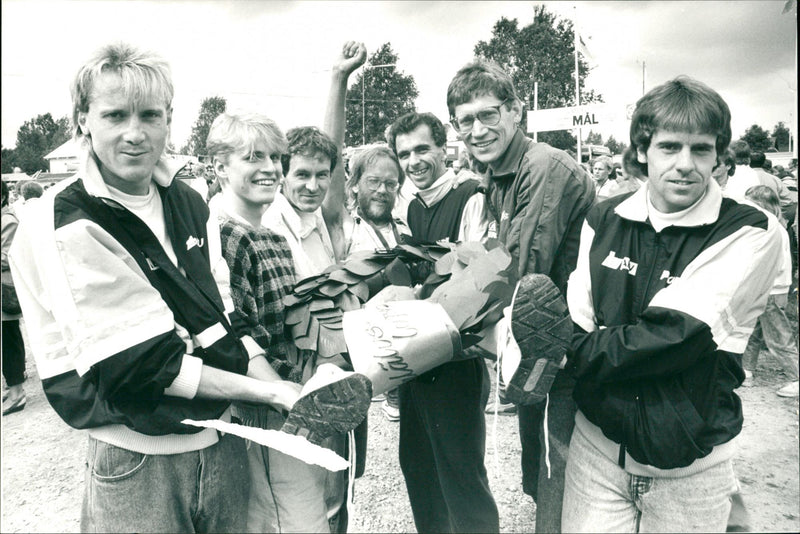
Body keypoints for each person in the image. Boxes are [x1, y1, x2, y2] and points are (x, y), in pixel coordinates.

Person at [8, 42, 303, 533]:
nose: (134, 133)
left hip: (219, 442)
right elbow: (144, 367)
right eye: (114, 115)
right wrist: (268, 395)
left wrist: (288, 395)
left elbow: (222, 318)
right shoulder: (64, 221)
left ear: (169, 117)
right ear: (82, 119)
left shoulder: (187, 200)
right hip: (138, 459)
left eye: (149, 115)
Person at [561, 76, 784, 532]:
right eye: (669, 147)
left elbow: (672, 338)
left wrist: (560, 348)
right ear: (642, 150)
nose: (685, 164)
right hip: (596, 454)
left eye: (701, 149)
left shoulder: (753, 231)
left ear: (720, 155)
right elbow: (579, 320)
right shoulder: (603, 217)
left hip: (690, 469)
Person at [446, 59, 595, 533]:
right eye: (465, 120)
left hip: (573, 352)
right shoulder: (497, 177)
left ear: (516, 112)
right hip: (538, 348)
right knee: (540, 472)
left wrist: (443, 312)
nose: (477, 129)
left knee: (559, 484)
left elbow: (518, 273)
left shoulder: (543, 166)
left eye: (488, 114)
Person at [261, 40, 367, 533]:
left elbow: (335, 148)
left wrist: (340, 80)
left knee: (337, 491)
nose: (312, 183)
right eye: (301, 173)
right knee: (307, 504)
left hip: (334, 372)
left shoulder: (322, 216)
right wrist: (335, 77)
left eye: (322, 176)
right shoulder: (271, 224)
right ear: (281, 173)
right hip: (297, 382)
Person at [385, 110, 497, 533]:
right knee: (419, 470)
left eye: (422, 149)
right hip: (416, 357)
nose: (413, 161)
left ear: (443, 147)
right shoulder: (410, 206)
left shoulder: (470, 195)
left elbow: (479, 283)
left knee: (462, 478)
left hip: (455, 360)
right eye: (405, 153)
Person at [741, 185, 798, 397]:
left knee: (778, 336)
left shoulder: (766, 226)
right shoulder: (775, 225)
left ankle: (796, 375)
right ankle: (746, 370)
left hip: (770, 288)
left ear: (760, 204)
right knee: (752, 330)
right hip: (768, 287)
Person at [2, 180, 26, 416]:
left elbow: (8, 256)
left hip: (4, 294)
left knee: (8, 342)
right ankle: (13, 387)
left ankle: (17, 393)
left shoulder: (8, 221)